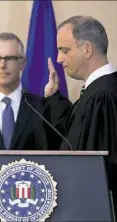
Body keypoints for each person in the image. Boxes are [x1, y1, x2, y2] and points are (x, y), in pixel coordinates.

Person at [43, 15, 117, 218]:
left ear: (86, 49)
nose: (58, 59)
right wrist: (52, 99)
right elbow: (73, 135)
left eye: (64, 50)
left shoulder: (101, 96)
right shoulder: (98, 92)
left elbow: (93, 168)